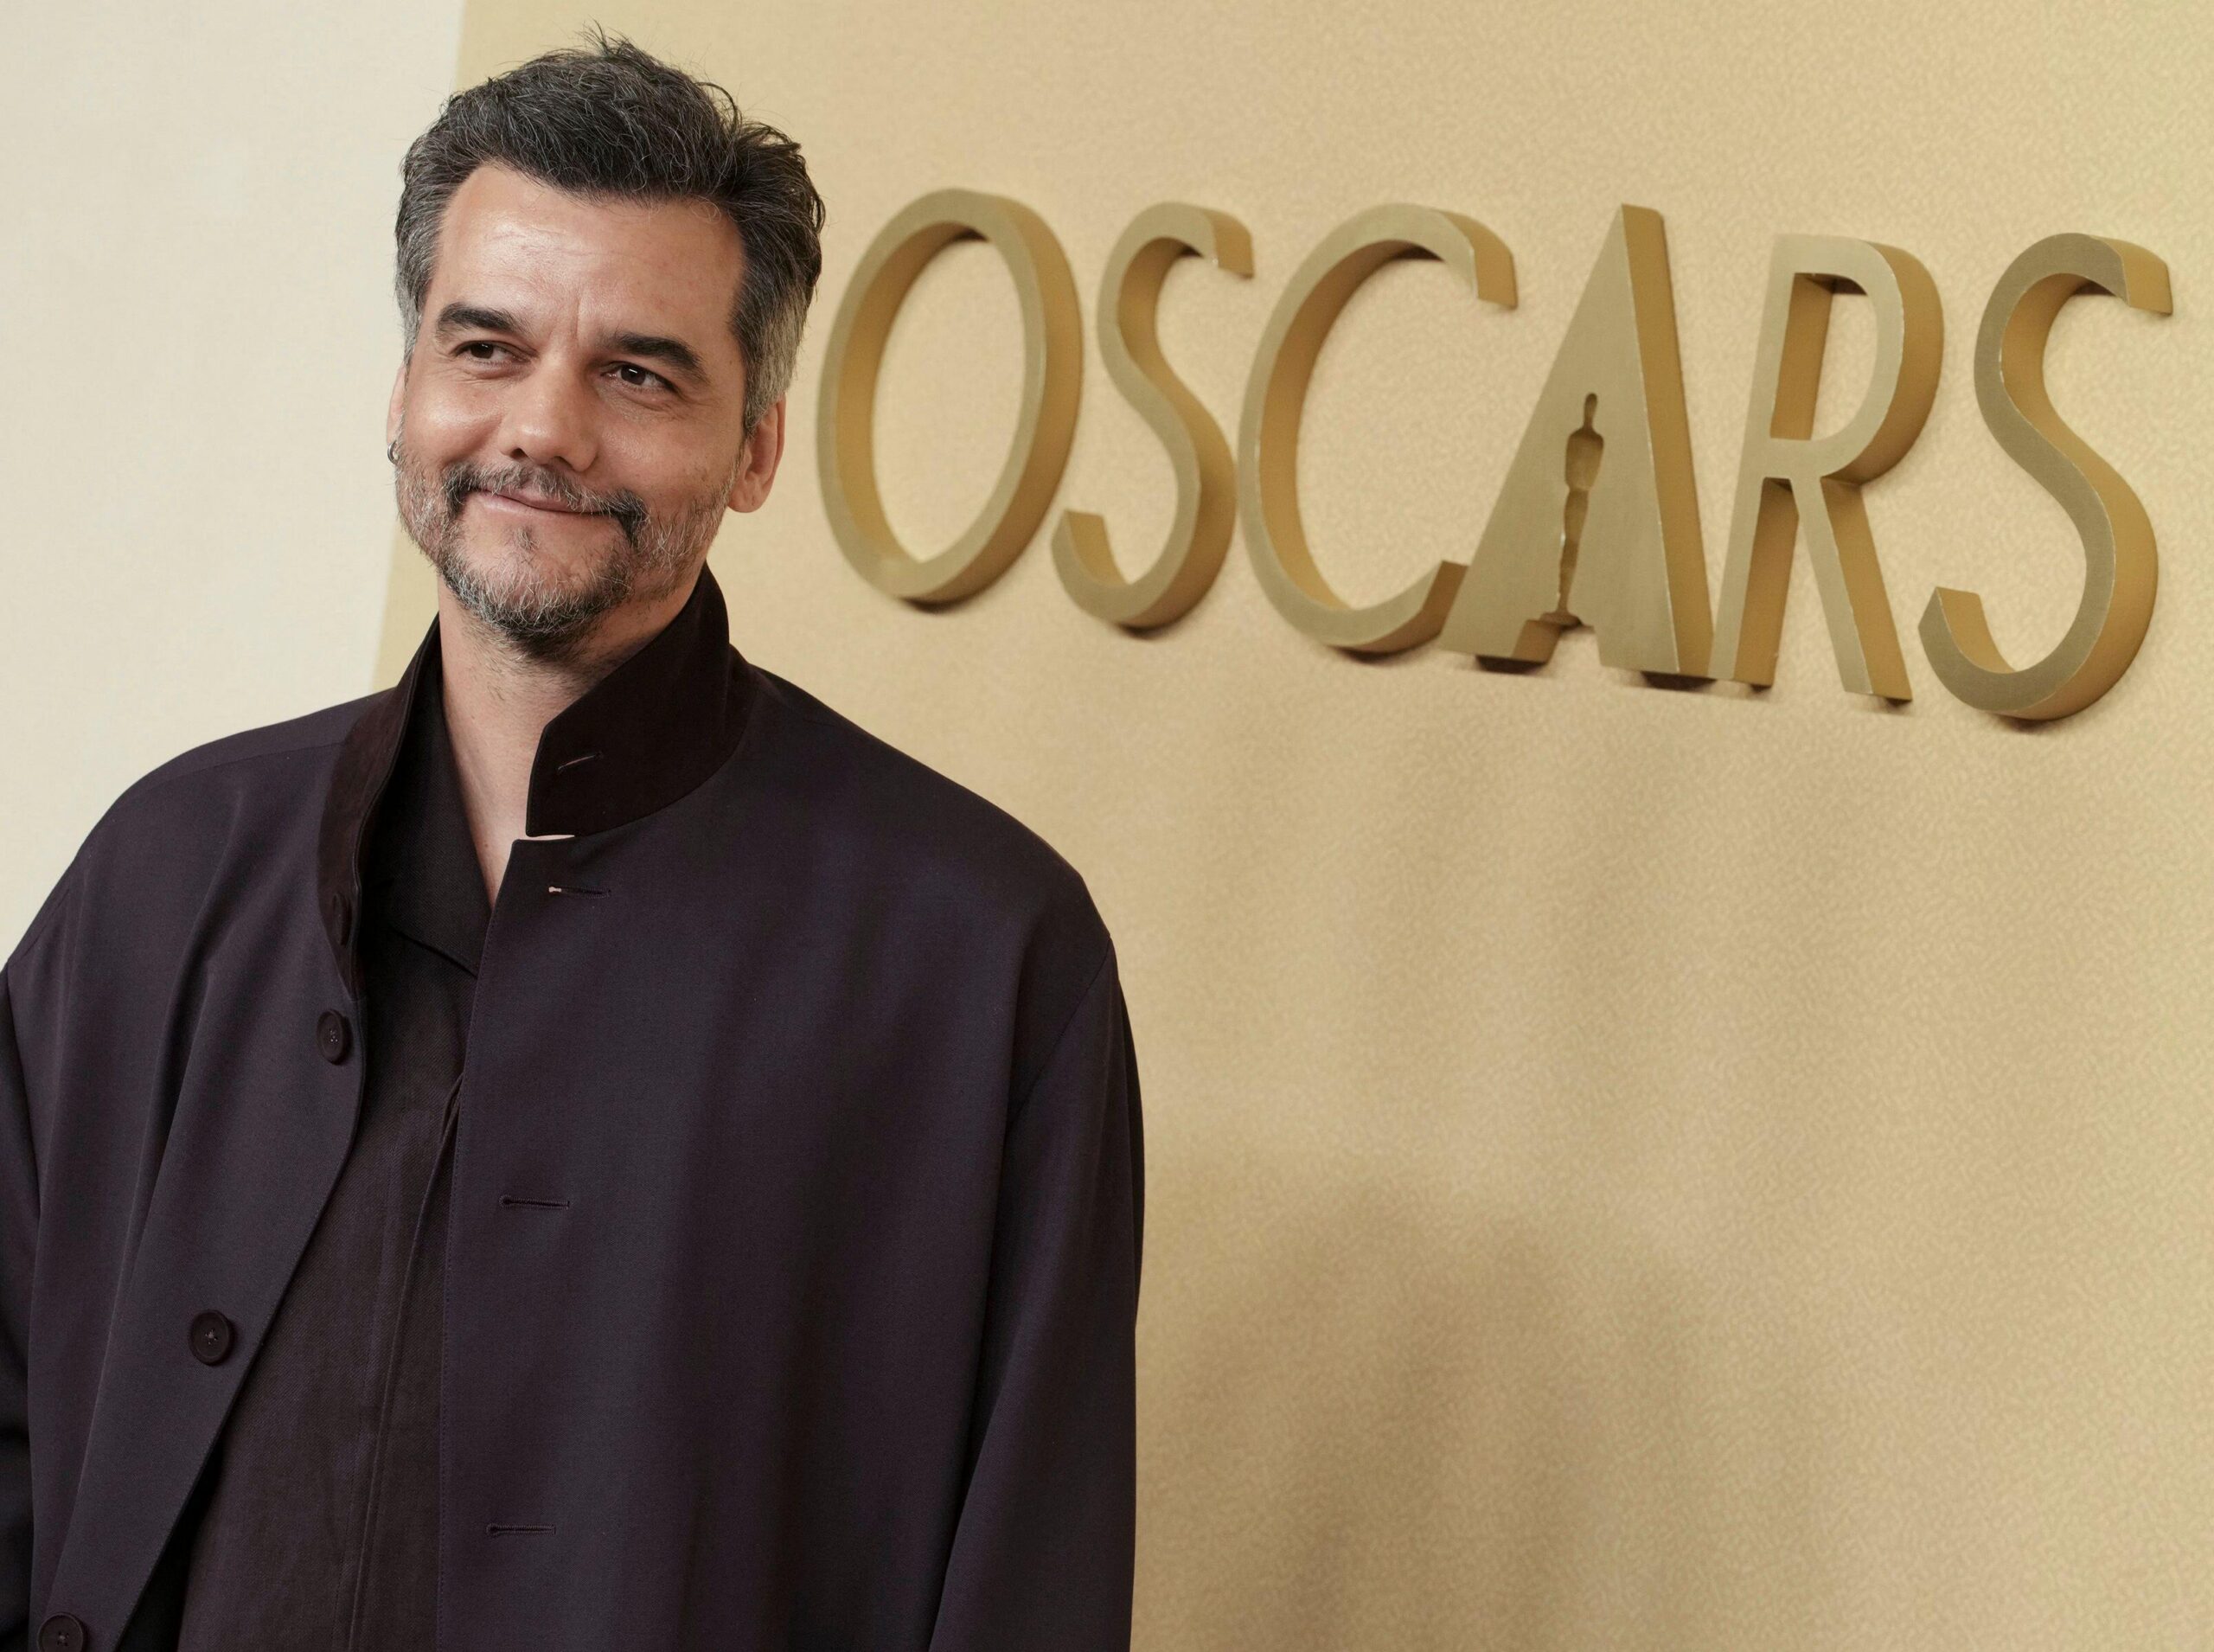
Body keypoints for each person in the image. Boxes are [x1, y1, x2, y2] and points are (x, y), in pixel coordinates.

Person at [0, 33, 1142, 1652]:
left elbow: (1030, 1576)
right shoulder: (167, 867)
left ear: (756, 447)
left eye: (638, 373)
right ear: (405, 390)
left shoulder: (982, 960)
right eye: (487, 346)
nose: (544, 428)